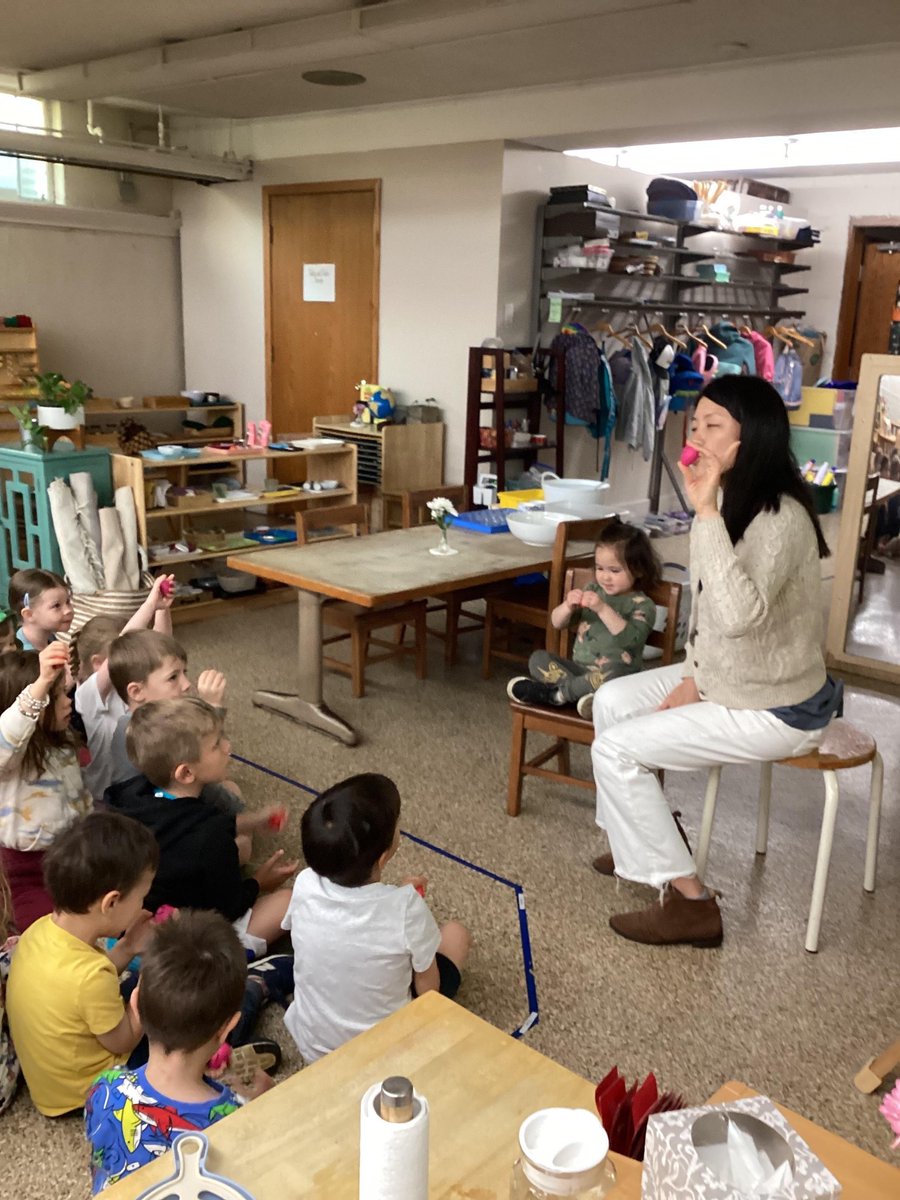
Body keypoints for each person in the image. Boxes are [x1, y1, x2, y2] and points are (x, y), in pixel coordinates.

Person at [590, 376, 839, 947]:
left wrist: (702, 511)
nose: (697, 435)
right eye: (695, 422)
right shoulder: (733, 498)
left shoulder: (780, 519)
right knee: (611, 701)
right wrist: (695, 675)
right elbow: (708, 620)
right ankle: (642, 838)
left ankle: (692, 903)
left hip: (778, 705)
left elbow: (736, 618)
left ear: (749, 438)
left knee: (615, 749)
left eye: (713, 425)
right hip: (733, 679)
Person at [282, 773, 471, 1063]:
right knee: (456, 934)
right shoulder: (406, 908)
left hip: (314, 1048)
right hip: (385, 1055)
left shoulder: (305, 882)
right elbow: (428, 988)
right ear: (383, 858)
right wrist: (406, 904)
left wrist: (399, 899)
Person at [85, 910, 273, 1194]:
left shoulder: (103, 1089)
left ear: (135, 1003)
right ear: (227, 1029)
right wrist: (264, 1105)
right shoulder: (235, 1117)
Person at [106, 697, 298, 958]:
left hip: (122, 921)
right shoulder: (211, 839)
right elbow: (227, 909)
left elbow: (187, 820)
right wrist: (258, 882)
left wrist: (254, 821)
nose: (228, 747)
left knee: (234, 804)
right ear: (186, 773)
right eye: (216, 745)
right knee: (287, 901)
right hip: (173, 943)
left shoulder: (133, 793)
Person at [6, 811, 157, 1116]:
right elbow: (123, 1040)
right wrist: (154, 986)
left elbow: (77, 994)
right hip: (91, 1092)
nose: (143, 904)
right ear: (111, 902)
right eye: (142, 896)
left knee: (124, 990)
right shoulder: (91, 977)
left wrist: (127, 946)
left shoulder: (39, 930)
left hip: (52, 1089)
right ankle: (249, 997)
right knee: (184, 1013)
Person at [507, 520, 661, 719]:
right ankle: (579, 695)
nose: (605, 577)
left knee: (613, 672)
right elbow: (556, 623)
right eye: (600, 568)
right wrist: (567, 607)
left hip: (614, 676)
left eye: (615, 571)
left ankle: (557, 695)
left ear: (638, 570)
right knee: (538, 658)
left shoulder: (642, 604)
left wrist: (603, 609)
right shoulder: (592, 590)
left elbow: (630, 640)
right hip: (579, 671)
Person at [0, 642, 92, 932]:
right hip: (24, 872)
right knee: (49, 930)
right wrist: (40, 685)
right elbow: (8, 736)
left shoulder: (62, 742)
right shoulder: (13, 757)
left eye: (66, 693)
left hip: (74, 856)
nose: (69, 702)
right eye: (58, 697)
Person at [106, 629, 246, 818]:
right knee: (237, 822)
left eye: (184, 673)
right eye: (173, 677)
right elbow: (202, 750)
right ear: (136, 692)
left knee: (230, 787)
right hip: (165, 809)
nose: (187, 683)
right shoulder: (157, 730)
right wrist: (212, 707)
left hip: (167, 794)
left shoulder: (154, 718)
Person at [74, 576, 176, 804]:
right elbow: (123, 645)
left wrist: (162, 609)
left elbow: (161, 653)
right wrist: (148, 605)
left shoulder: (133, 687)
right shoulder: (89, 696)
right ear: (100, 663)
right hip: (108, 799)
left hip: (144, 787)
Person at [7, 569, 73, 653]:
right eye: (56, 606)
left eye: (68, 601)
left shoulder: (48, 636)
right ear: (29, 615)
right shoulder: (23, 656)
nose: (68, 610)